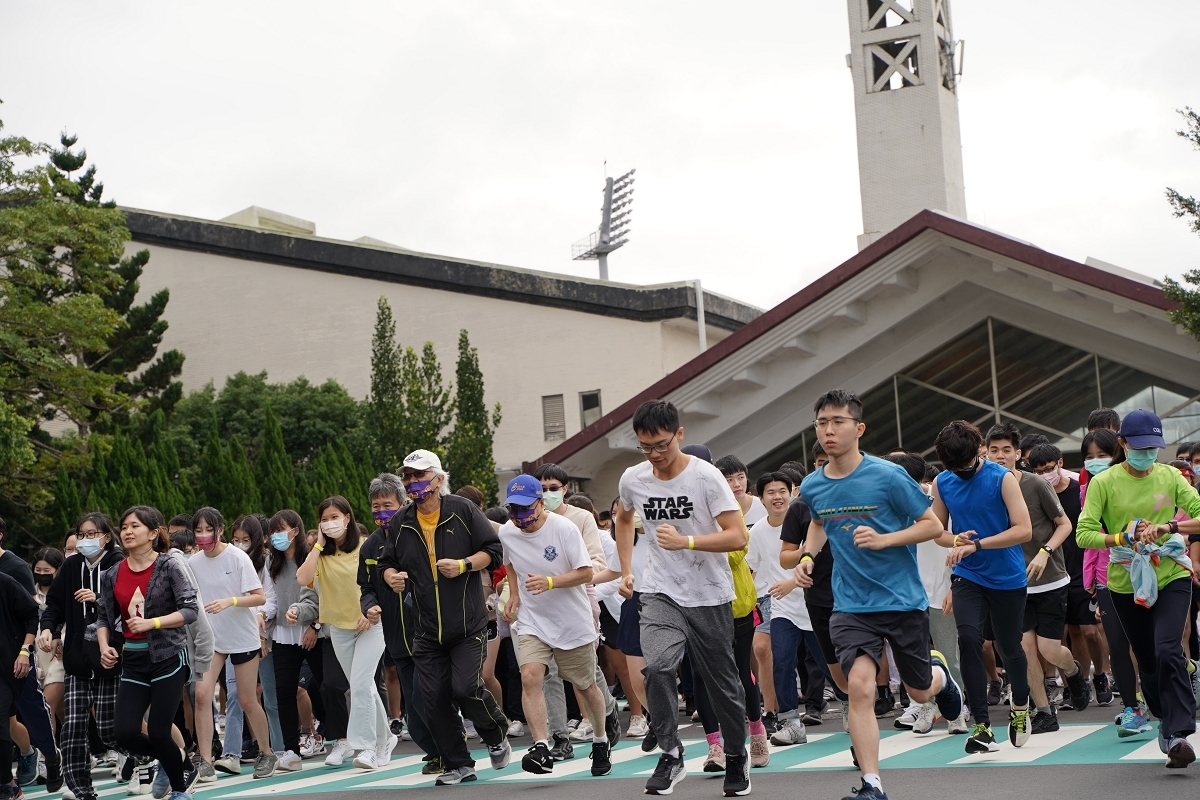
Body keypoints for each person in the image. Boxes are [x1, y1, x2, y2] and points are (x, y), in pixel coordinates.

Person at [796, 391, 962, 800]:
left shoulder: (888, 476)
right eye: (822, 423)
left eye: (838, 421)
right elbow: (818, 524)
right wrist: (806, 556)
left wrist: (886, 540)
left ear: (859, 428)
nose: (829, 430)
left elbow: (929, 526)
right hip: (851, 606)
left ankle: (940, 679)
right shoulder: (813, 484)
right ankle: (873, 785)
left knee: (920, 692)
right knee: (860, 687)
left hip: (902, 601)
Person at [614, 400, 751, 797]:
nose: (654, 456)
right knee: (656, 667)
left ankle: (737, 756)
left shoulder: (706, 478)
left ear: (680, 435)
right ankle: (671, 753)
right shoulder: (633, 478)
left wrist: (687, 541)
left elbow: (737, 535)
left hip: (708, 594)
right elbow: (623, 518)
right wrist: (627, 569)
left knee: (723, 684)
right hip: (659, 590)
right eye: (645, 447)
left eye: (661, 445)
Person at [1077, 409, 1200, 769]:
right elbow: (1084, 534)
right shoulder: (1104, 483)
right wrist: (1123, 536)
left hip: (1171, 572)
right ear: (1123, 444)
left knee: (1168, 648)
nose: (1147, 454)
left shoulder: (1171, 475)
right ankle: (1163, 718)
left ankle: (1179, 732)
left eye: (1153, 447)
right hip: (1125, 579)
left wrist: (1170, 526)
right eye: (1140, 446)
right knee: (1147, 659)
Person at [380, 450, 510, 786]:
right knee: (432, 699)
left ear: (438, 479)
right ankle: (458, 763)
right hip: (426, 630)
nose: (412, 482)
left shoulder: (463, 510)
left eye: (419, 475)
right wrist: (391, 576)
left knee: (466, 687)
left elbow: (494, 552)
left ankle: (496, 735)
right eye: (407, 477)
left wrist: (465, 564)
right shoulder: (401, 521)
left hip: (467, 624)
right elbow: (385, 563)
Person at [496, 475, 611, 777]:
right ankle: (541, 746)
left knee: (586, 687)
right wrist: (516, 594)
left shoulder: (564, 529)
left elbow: (586, 573)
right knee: (530, 675)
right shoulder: (508, 532)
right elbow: (510, 563)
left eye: (524, 509)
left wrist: (550, 582)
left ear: (539, 503)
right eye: (512, 510)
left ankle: (601, 739)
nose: (518, 516)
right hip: (533, 620)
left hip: (571, 620)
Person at [929, 421, 1033, 755]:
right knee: (969, 638)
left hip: (1006, 576)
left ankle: (1019, 705)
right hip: (968, 575)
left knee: (1010, 647)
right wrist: (955, 540)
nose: (960, 472)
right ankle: (982, 725)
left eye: (966, 464)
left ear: (980, 450)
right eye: (953, 467)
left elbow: (1024, 530)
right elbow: (937, 531)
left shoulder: (1001, 478)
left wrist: (978, 545)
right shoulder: (943, 483)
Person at [984, 424, 1090, 733]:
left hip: (1050, 579)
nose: (1000, 455)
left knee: (1048, 649)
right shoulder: (984, 489)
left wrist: (1045, 551)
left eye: (1007, 450)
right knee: (1024, 647)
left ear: (1018, 454)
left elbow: (1064, 524)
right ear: (986, 453)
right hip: (1012, 583)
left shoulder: (1035, 484)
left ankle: (1073, 672)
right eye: (994, 450)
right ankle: (1044, 711)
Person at [96, 507, 199, 800]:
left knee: (158, 731)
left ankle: (180, 791)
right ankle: (177, 761)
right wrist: (105, 646)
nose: (127, 531)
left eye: (135, 526)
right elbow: (103, 617)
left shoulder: (169, 566)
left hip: (168, 657)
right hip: (134, 660)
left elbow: (190, 610)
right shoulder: (112, 573)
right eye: (124, 526)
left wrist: (152, 623)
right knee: (124, 733)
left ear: (153, 533)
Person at [297, 496, 394, 771]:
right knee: (365, 687)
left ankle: (366, 747)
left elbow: (380, 585)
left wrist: (370, 611)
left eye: (335, 517)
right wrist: (317, 544)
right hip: (338, 628)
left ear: (348, 518)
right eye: (324, 519)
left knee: (362, 684)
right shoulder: (321, 554)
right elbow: (303, 579)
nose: (330, 523)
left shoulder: (366, 546)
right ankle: (386, 738)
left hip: (371, 626)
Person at [532, 464, 621, 756]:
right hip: (541, 606)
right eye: (542, 488)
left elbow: (596, 562)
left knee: (585, 673)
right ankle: (560, 738)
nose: (548, 493)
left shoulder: (581, 518)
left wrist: (565, 576)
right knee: (549, 672)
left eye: (553, 488)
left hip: (579, 600)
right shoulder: (527, 521)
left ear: (565, 489)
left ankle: (607, 711)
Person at [39, 514, 124, 800]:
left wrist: (98, 596)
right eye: (82, 534)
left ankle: (146, 757)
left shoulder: (118, 563)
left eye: (92, 534)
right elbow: (54, 605)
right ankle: (81, 789)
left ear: (107, 536)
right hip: (76, 659)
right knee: (74, 726)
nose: (86, 540)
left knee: (110, 729)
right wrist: (49, 629)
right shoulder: (72, 566)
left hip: (109, 656)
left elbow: (127, 604)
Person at [187, 508, 277, 780]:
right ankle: (205, 760)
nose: (204, 536)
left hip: (242, 637)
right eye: (199, 530)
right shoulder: (193, 562)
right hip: (212, 639)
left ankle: (266, 752)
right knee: (201, 695)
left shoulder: (237, 557)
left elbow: (260, 597)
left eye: (209, 530)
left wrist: (231, 601)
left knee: (247, 699)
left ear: (221, 530)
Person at [360, 475, 440, 772]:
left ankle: (448, 747)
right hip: (396, 637)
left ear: (403, 503)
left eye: (387, 505)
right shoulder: (369, 547)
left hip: (428, 630)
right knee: (414, 705)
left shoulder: (418, 534)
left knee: (427, 695)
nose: (381, 512)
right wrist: (370, 606)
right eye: (376, 506)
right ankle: (433, 752)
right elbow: (365, 587)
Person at [886, 454, 967, 735]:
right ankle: (926, 706)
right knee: (914, 657)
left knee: (948, 655)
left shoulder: (938, 503)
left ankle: (956, 711)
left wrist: (955, 587)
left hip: (940, 592)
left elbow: (958, 545)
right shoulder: (887, 508)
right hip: (906, 597)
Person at [1028, 443, 1111, 709]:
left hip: (1081, 567)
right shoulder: (1035, 492)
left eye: (1049, 469)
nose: (1045, 475)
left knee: (1088, 630)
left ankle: (1100, 675)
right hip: (1052, 570)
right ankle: (1077, 682)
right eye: (1039, 471)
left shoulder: (1080, 491)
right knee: (1062, 632)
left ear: (1060, 463)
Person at [1080, 429, 1147, 737]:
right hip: (1110, 577)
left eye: (1102, 455)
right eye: (1089, 457)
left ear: (1118, 451)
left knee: (1150, 642)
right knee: (1117, 643)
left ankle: (1156, 696)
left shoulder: (1143, 480)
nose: (1096, 462)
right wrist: (1090, 576)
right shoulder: (1090, 490)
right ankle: (1132, 707)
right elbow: (1090, 539)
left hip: (1151, 571)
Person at [747, 471, 816, 754]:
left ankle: (850, 704)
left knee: (829, 664)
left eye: (782, 491)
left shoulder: (807, 520)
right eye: (770, 492)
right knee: (782, 660)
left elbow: (817, 555)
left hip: (814, 602)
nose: (777, 497)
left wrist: (791, 583)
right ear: (761, 499)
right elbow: (750, 567)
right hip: (781, 606)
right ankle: (790, 723)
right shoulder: (758, 531)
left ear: (792, 492)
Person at [265, 509, 329, 771]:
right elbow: (269, 598)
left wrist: (315, 625)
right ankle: (291, 751)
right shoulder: (271, 563)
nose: (278, 536)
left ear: (296, 530)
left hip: (312, 631)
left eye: (282, 530)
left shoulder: (312, 557)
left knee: (326, 686)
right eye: (273, 531)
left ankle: (337, 734)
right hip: (282, 635)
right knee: (284, 692)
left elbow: (324, 594)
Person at [221, 516, 285, 769]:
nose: (240, 545)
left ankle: (278, 749)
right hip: (233, 635)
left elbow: (270, 599)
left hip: (262, 635)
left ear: (258, 541)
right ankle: (231, 754)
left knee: (269, 695)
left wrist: (260, 618)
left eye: (245, 540)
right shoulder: (228, 562)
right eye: (235, 540)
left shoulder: (266, 563)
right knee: (235, 695)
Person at [31, 548, 66, 726]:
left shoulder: (66, 594)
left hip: (60, 656)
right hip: (39, 656)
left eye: (47, 571)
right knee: (60, 710)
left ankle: (46, 754)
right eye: (38, 571)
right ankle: (77, 747)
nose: (42, 575)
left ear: (58, 570)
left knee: (46, 706)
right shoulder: (29, 596)